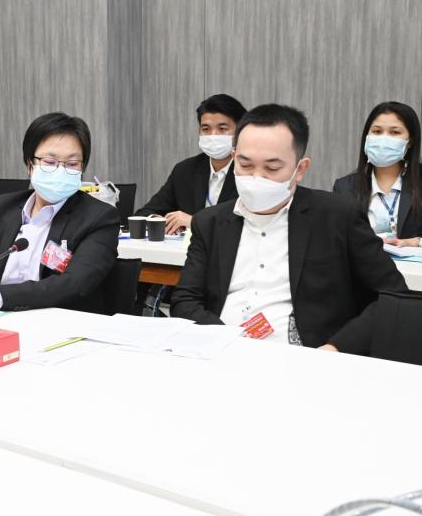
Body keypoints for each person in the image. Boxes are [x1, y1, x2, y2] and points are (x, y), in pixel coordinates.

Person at [170, 104, 407, 348]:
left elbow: (393, 295)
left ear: (300, 169)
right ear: (233, 158)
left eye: (272, 167)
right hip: (224, 350)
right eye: (245, 165)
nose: (256, 177)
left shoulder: (337, 216)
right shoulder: (209, 222)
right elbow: (185, 301)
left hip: (310, 356)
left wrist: (337, 347)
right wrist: (227, 341)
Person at [0, 112, 120, 313]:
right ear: (29, 165)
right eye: (50, 162)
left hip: (58, 322)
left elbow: (74, 285)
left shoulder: (99, 217)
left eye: (72, 164)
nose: (60, 170)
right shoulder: (4, 207)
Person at [136, 94, 246, 234]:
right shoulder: (185, 170)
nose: (213, 135)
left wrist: (195, 222)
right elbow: (145, 213)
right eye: (206, 129)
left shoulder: (250, 172)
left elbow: (247, 226)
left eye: (222, 129)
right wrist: (162, 222)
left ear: (240, 131)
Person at [332, 102, 422, 247]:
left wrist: (417, 242)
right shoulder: (344, 187)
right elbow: (336, 239)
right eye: (377, 131)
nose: (383, 139)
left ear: (410, 141)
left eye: (395, 132)